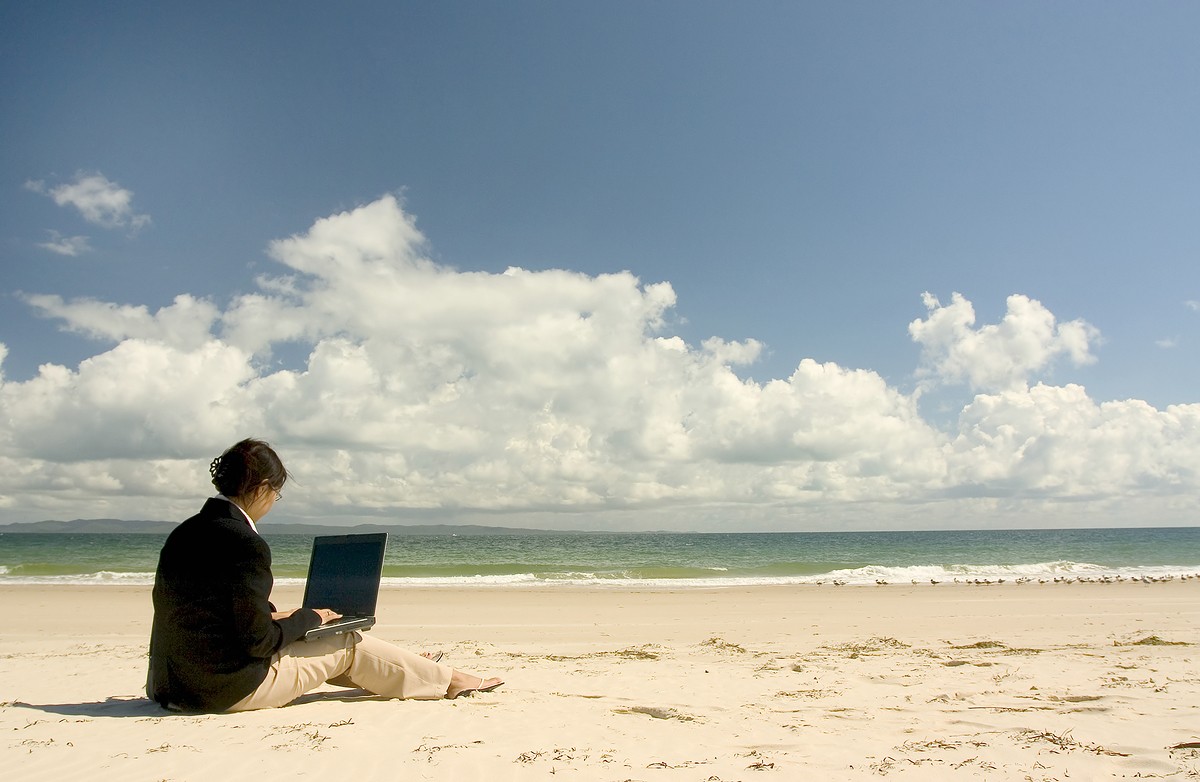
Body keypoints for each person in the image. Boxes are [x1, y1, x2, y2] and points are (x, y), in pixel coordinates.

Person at [146, 438, 502, 712]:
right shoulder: (244, 542)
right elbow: (258, 643)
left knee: (320, 636)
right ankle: (450, 680)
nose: (273, 502)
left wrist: (279, 617)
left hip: (171, 686)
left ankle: (413, 670)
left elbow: (211, 611)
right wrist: (308, 618)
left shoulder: (185, 533)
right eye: (277, 494)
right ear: (263, 488)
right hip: (220, 692)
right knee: (346, 642)